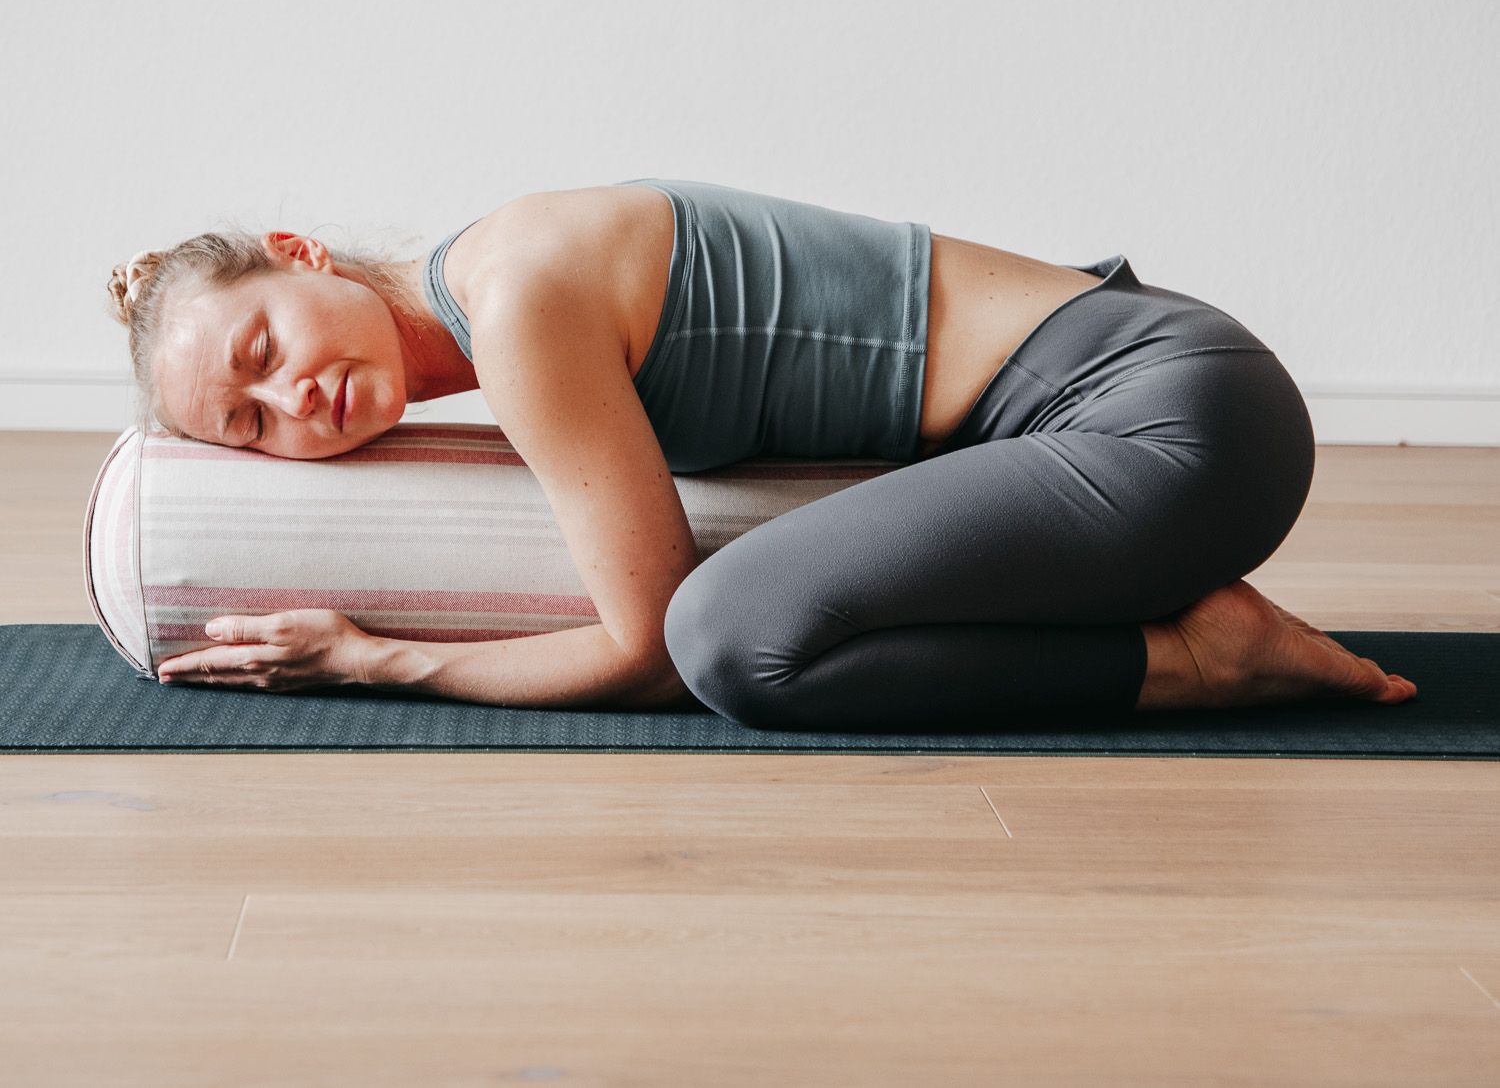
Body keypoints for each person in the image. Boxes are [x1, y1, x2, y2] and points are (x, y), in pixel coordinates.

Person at [106, 177, 1417, 729]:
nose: (298, 402)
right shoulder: (487, 300)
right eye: (253, 426)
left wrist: (373, 659)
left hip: (1168, 412)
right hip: (1140, 417)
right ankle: (1189, 631)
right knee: (743, 624)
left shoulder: (513, 305)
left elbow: (646, 648)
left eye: (265, 350)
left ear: (299, 255)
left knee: (730, 642)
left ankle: (1194, 658)